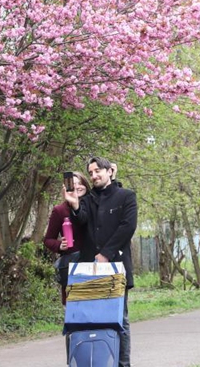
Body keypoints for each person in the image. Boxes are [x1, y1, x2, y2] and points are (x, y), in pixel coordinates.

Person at [66, 156, 137, 367]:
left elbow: (128, 227)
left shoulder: (126, 196)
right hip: (89, 271)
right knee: (87, 320)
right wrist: (75, 206)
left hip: (116, 268)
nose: (94, 175)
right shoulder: (87, 199)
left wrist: (106, 253)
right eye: (91, 172)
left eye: (98, 171)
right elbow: (81, 220)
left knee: (119, 320)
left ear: (109, 171)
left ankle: (122, 364)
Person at [43, 171, 91, 304]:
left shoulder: (94, 206)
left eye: (80, 183)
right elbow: (48, 239)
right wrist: (59, 245)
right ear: (66, 188)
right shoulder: (59, 210)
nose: (76, 187)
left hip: (94, 265)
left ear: (86, 185)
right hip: (72, 266)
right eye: (72, 184)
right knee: (74, 312)